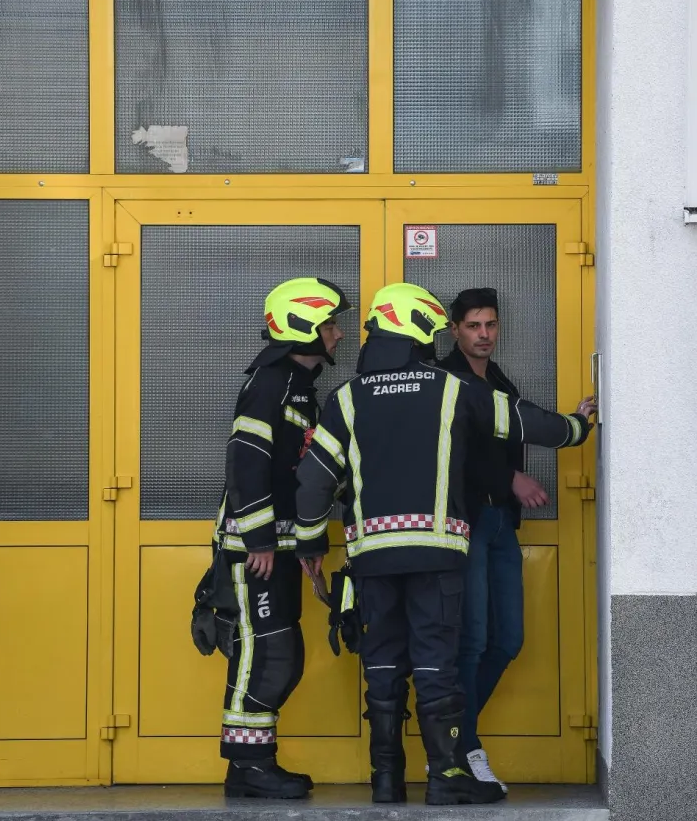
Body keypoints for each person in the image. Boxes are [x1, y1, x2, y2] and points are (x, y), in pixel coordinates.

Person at [294, 282, 592, 807]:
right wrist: (577, 427)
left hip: (372, 562)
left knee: (382, 667)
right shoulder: (452, 388)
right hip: (436, 559)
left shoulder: (346, 398)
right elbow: (521, 422)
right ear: (418, 333)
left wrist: (311, 545)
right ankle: (446, 777)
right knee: (437, 667)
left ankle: (385, 782)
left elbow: (314, 481)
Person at [440, 286, 596, 791]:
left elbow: (522, 425)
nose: (484, 335)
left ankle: (450, 731)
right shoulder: (447, 379)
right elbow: (458, 450)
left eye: (491, 325)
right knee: (473, 641)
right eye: (474, 326)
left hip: (501, 524)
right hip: (466, 524)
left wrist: (575, 422)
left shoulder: (499, 379)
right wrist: (511, 479)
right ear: (455, 330)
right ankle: (460, 747)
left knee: (508, 640)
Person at [215, 276, 351, 800]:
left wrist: (306, 549)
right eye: (331, 325)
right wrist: (260, 542)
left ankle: (253, 763)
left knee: (281, 652)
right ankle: (248, 766)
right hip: (256, 552)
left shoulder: (296, 386)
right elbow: (247, 465)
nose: (339, 335)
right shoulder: (270, 383)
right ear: (305, 329)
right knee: (267, 653)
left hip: (279, 549)